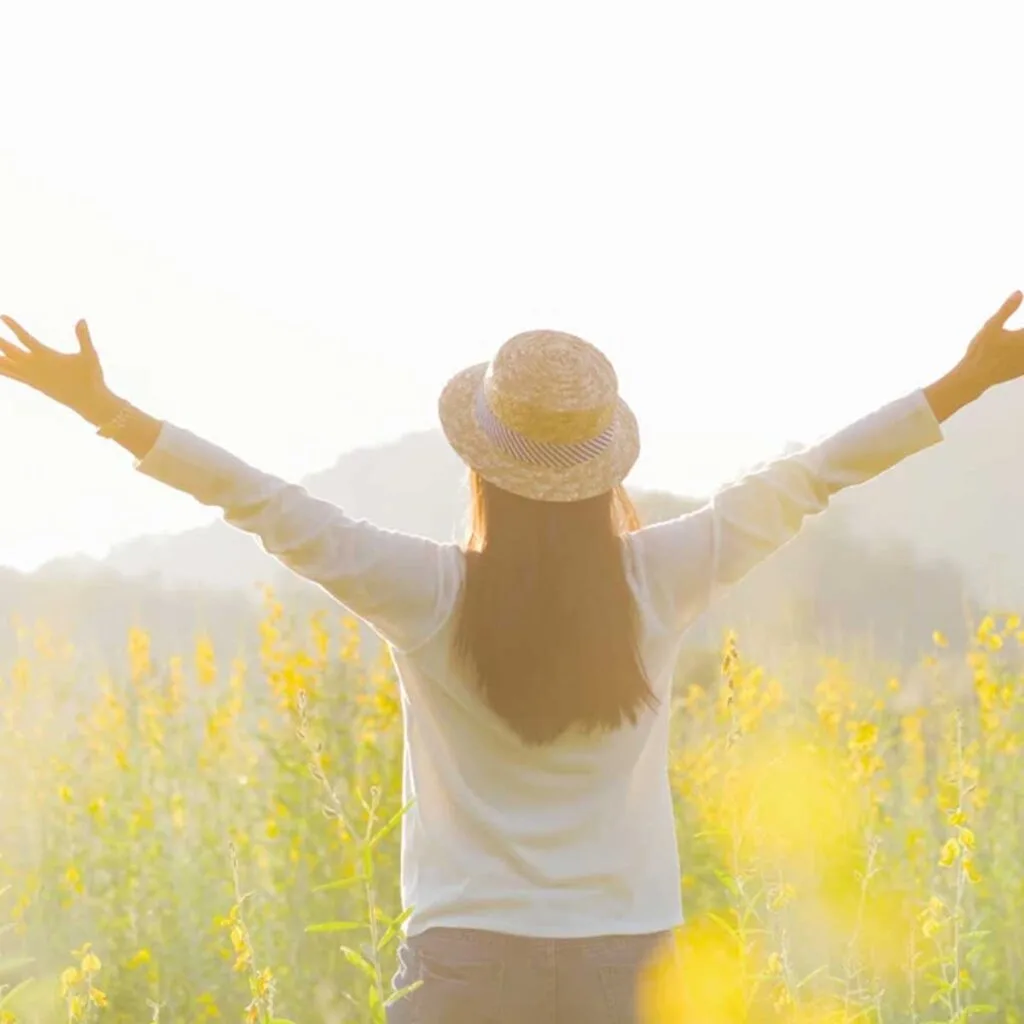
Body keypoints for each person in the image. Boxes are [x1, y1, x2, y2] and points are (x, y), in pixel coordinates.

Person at [1, 293, 1022, 1023]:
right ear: (600, 463)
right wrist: (965, 380)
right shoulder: (660, 574)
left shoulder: (425, 589)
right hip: (628, 970)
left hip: (460, 974)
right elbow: (808, 477)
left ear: (479, 461)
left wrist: (105, 408)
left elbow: (264, 503)